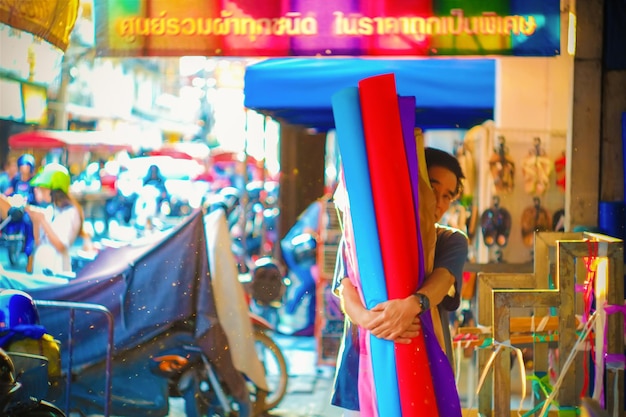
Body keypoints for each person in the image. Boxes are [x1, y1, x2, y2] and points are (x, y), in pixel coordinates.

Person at [331, 147, 469, 415]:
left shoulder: (451, 240)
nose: (439, 203)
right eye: (434, 189)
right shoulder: (365, 235)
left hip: (422, 352)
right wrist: (370, 321)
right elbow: (346, 288)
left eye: (447, 197)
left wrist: (411, 306)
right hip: (369, 353)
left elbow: (442, 281)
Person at [0, 164, 84, 276]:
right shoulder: (51, 209)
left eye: (43, 189)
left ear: (54, 190)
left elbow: (61, 246)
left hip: (55, 274)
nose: (40, 191)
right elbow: (39, 241)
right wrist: (36, 221)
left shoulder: (70, 212)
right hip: (41, 273)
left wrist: (43, 221)